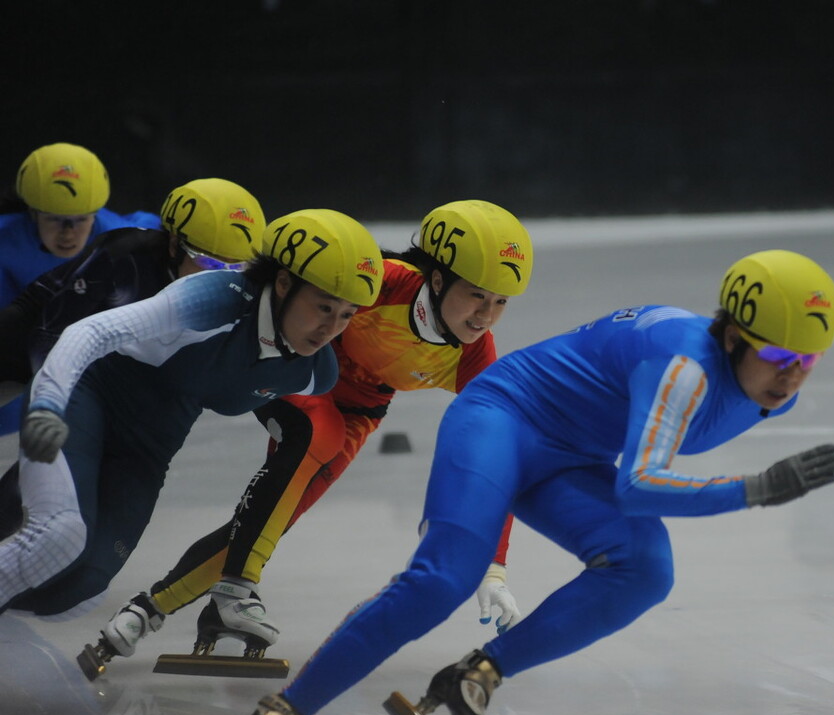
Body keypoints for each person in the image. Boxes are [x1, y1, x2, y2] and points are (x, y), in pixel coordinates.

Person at [192, 249, 834, 715]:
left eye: (808, 362)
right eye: (782, 358)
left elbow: (629, 482)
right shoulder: (683, 367)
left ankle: (476, 675)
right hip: (501, 419)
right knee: (444, 578)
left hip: (569, 458)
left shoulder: (765, 392)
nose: (793, 379)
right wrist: (755, 489)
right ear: (732, 336)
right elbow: (640, 483)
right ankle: (285, 712)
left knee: (646, 570)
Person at [87, 200, 534, 673]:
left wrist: (494, 563)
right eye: (477, 295)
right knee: (320, 433)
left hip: (360, 409)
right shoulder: (381, 281)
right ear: (438, 280)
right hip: (295, 368)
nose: (486, 315)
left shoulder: (474, 359)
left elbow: (495, 459)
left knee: (275, 516)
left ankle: (151, 610)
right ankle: (236, 589)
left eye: (500, 302)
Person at [0, 208, 383, 621]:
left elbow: (282, 413)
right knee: (59, 536)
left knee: (82, 586)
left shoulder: (313, 372)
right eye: (324, 307)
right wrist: (47, 404)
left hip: (148, 447)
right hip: (87, 399)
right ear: (285, 283)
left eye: (346, 315)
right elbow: (88, 332)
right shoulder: (215, 298)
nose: (331, 329)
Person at [0, 177, 265, 539]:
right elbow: (50, 331)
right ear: (173, 243)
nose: (219, 277)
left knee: (46, 461)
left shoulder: (233, 292)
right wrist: (53, 399)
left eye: (234, 268)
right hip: (29, 337)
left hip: (100, 365)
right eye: (206, 260)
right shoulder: (125, 254)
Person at [0, 142, 161, 434]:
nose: (68, 233)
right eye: (54, 219)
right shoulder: (5, 240)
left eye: (81, 219)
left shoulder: (123, 237)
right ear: (32, 212)